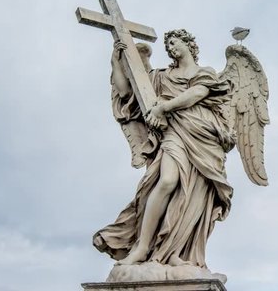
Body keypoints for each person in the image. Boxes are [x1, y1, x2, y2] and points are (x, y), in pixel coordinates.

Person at [93, 29, 235, 268]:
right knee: (168, 180)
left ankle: (175, 252)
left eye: (174, 41)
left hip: (204, 137)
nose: (170, 47)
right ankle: (142, 247)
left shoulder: (205, 73)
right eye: (167, 44)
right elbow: (128, 91)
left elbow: (197, 93)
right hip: (175, 133)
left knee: (192, 195)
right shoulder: (161, 76)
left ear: (189, 44)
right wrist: (115, 61)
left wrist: (163, 108)